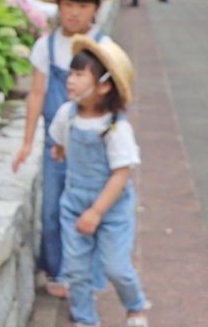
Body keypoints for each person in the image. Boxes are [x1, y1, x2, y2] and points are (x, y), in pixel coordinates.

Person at [12, 0, 125, 297]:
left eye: (83, 6)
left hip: (91, 146)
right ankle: (55, 268)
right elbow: (36, 94)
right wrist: (27, 140)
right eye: (68, 5)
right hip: (55, 142)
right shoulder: (46, 46)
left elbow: (117, 96)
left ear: (96, 9)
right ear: (58, 7)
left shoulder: (103, 48)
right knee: (51, 209)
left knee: (84, 208)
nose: (75, 13)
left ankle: (78, 275)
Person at [49, 35, 149, 327]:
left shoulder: (115, 128)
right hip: (74, 203)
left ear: (104, 86)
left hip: (112, 208)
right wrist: (60, 149)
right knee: (76, 270)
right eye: (71, 72)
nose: (71, 80)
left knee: (116, 267)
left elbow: (121, 173)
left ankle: (135, 305)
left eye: (80, 74)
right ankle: (85, 318)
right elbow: (60, 141)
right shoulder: (66, 114)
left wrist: (96, 211)